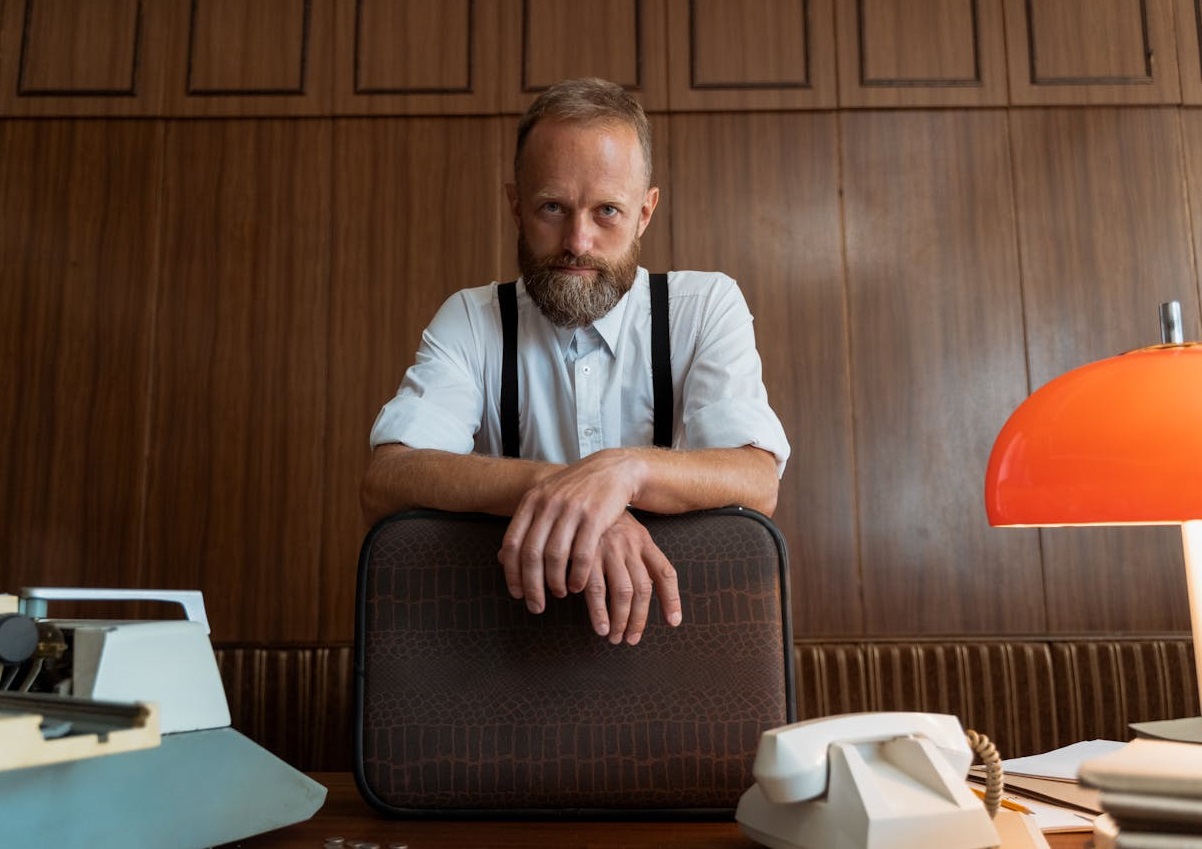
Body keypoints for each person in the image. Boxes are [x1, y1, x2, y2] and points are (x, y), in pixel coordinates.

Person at [361, 77, 789, 647]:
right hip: (499, 651)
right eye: (552, 207)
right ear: (516, 206)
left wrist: (625, 472)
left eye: (606, 211)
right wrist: (569, 491)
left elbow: (755, 480)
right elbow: (388, 478)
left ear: (644, 212)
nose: (578, 241)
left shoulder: (705, 306)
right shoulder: (470, 318)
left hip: (678, 645)